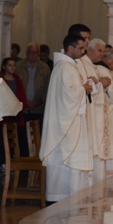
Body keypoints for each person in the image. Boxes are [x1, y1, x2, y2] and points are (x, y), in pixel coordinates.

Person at [40, 34, 95, 203]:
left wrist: (86, 86)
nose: (83, 51)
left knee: (70, 162)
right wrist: (84, 89)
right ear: (70, 48)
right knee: (63, 161)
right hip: (65, 125)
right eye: (80, 48)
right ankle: (60, 199)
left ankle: (72, 198)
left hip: (72, 121)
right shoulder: (64, 67)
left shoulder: (71, 66)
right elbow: (67, 95)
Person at [79, 38, 113, 183]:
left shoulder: (93, 66)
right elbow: (85, 89)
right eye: (99, 50)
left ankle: (97, 184)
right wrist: (100, 84)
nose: (102, 54)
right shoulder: (81, 64)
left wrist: (103, 85)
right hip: (91, 114)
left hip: (98, 114)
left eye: (103, 51)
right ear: (90, 50)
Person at [0, 57, 29, 177]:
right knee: (3, 139)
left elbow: (22, 96)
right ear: (4, 67)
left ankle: (12, 162)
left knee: (15, 139)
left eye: (14, 65)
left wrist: (19, 107)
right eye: (9, 65)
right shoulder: (0, 79)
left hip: (16, 114)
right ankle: (3, 164)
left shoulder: (17, 79)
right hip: (3, 115)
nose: (12, 67)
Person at [95, 47, 113, 177]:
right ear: (109, 59)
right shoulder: (101, 69)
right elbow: (111, 95)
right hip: (108, 113)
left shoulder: (109, 71)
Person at [15, 42, 51, 132]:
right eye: (31, 52)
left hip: (38, 109)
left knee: (36, 135)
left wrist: (39, 102)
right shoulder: (18, 66)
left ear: (39, 54)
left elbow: (47, 87)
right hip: (22, 109)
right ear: (26, 53)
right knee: (22, 135)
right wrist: (23, 101)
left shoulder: (45, 68)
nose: (33, 55)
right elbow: (15, 86)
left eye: (36, 52)